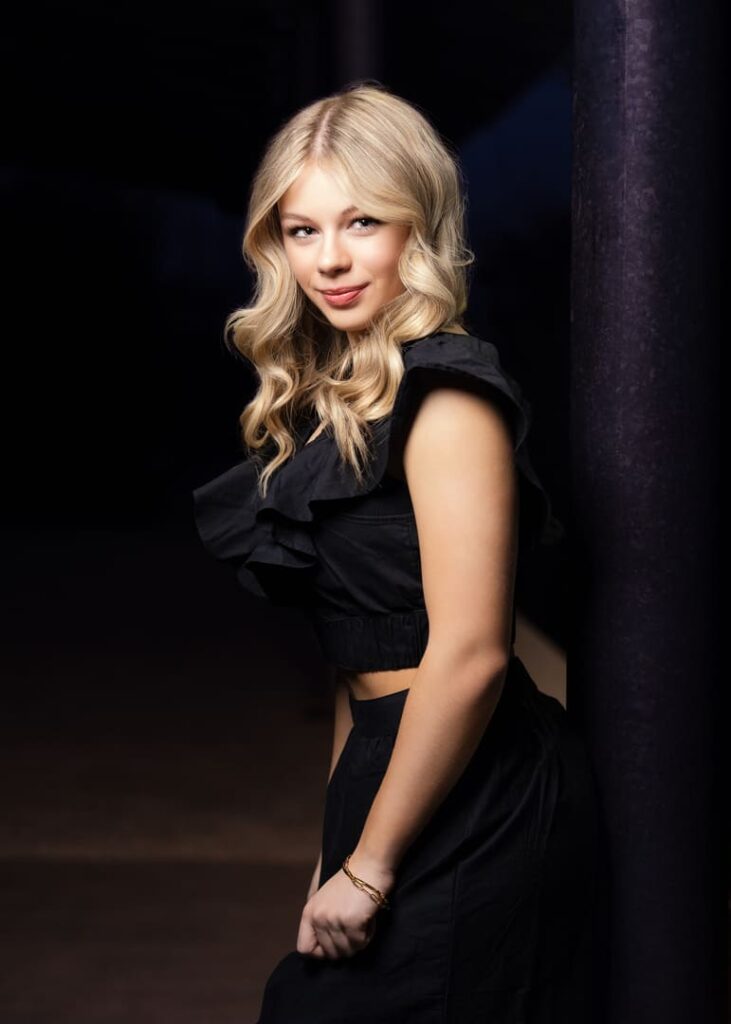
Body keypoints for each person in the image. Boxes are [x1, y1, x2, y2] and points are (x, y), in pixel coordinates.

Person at [192, 82, 599, 1023]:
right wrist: (334, 856)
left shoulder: (447, 397)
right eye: (300, 230)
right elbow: (358, 659)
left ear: (417, 227)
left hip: (479, 790)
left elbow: (469, 654)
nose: (329, 259)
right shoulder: (340, 398)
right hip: (388, 768)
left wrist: (369, 872)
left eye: (362, 221)